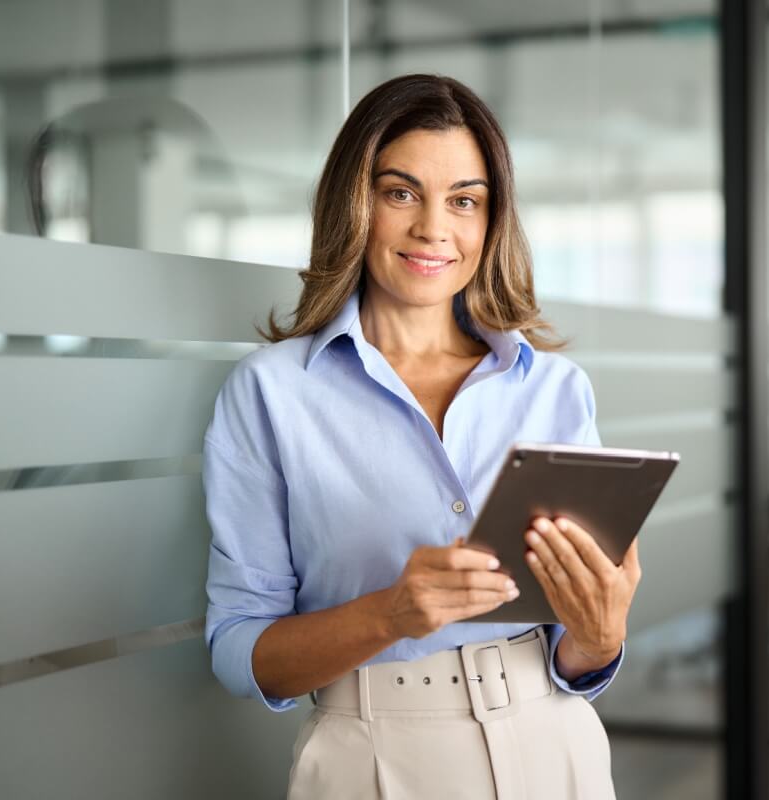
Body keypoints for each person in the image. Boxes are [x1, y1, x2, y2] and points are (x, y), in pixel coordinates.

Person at [202, 74, 641, 798]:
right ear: (357, 203)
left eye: (464, 200)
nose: (434, 228)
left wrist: (601, 634)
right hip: (369, 756)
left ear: (490, 221)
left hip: (553, 742)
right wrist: (389, 613)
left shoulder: (556, 389)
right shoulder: (270, 393)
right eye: (402, 193)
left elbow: (580, 651)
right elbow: (239, 649)